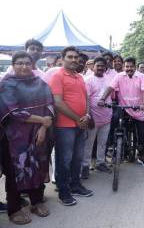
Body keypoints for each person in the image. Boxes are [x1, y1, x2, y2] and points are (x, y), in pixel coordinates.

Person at [0, 52, 53, 224]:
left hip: (39, 134)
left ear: (33, 65)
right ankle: (14, 208)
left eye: (27, 63)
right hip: (14, 138)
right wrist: (42, 120)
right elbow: (13, 111)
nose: (24, 66)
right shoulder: (7, 85)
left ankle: (36, 202)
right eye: (20, 63)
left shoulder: (40, 83)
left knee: (38, 166)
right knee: (15, 171)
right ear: (13, 65)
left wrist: (44, 127)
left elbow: (49, 107)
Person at [49, 46, 93, 206]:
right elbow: (58, 102)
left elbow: (86, 98)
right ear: (62, 59)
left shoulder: (80, 77)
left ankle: (75, 185)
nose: (74, 60)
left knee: (77, 158)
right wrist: (77, 119)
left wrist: (87, 115)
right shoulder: (57, 76)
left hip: (81, 125)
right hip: (64, 126)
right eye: (70, 57)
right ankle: (64, 191)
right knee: (64, 159)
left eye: (76, 57)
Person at [99, 57, 144, 166]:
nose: (129, 68)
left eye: (131, 66)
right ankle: (113, 147)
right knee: (115, 120)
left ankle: (142, 155)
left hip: (138, 108)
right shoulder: (119, 76)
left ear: (135, 67)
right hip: (123, 107)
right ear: (124, 67)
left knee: (142, 132)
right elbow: (110, 88)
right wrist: (102, 99)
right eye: (127, 66)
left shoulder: (141, 76)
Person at [81, 57, 113, 179]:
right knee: (88, 144)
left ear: (105, 67)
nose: (100, 68)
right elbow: (86, 99)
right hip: (92, 118)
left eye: (102, 66)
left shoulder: (109, 79)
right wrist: (89, 116)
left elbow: (112, 95)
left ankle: (100, 163)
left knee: (102, 143)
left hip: (106, 118)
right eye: (98, 65)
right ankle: (85, 166)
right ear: (93, 66)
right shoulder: (87, 80)